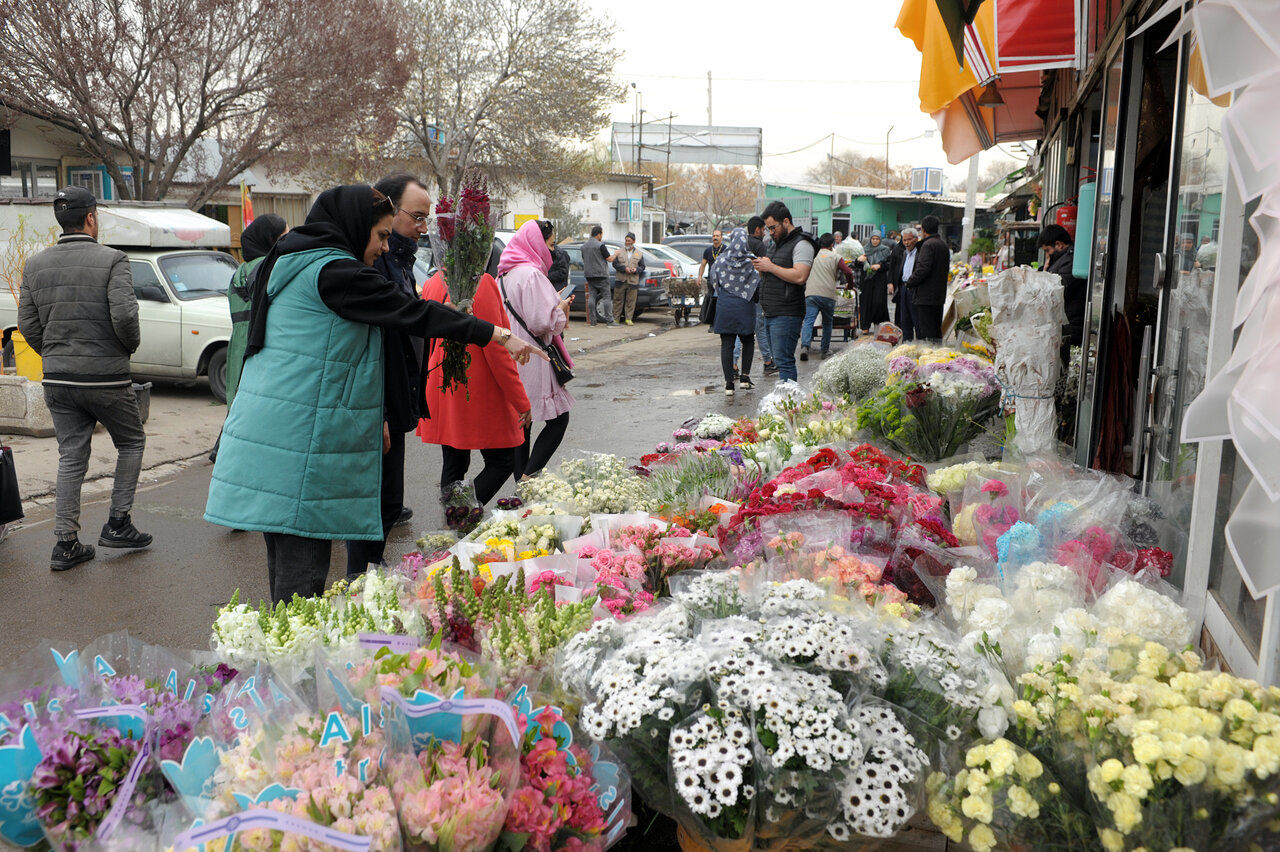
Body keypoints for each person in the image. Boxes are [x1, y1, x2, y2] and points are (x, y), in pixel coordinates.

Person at [206, 185, 540, 604]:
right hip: (298, 448)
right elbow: (411, 313)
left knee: (292, 579)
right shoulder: (333, 272)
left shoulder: (294, 259)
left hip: (281, 436)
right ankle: (292, 669)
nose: (385, 247)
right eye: (381, 235)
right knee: (302, 588)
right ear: (355, 227)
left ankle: (289, 661)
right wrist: (496, 334)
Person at [19, 186, 152, 571]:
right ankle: (118, 523)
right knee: (131, 442)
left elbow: (28, 324)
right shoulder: (113, 259)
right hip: (105, 376)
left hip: (58, 379)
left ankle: (66, 544)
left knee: (71, 455)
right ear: (91, 218)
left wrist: (56, 354)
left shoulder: (34, 264)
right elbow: (126, 317)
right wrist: (126, 349)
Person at [419, 213, 544, 512]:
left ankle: (453, 520)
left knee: (454, 459)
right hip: (473, 389)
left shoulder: (435, 281)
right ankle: (461, 514)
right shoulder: (482, 284)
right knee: (501, 460)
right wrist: (521, 401)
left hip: (441, 385)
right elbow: (497, 349)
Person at [342, 173, 432, 580]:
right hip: (377, 406)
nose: (423, 227)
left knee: (389, 505)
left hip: (396, 399)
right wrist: (374, 411)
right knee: (371, 510)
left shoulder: (401, 262)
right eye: (416, 216)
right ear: (390, 212)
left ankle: (368, 584)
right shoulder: (372, 264)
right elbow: (366, 345)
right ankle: (360, 588)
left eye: (426, 219)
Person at [500, 220, 575, 479]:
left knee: (523, 422)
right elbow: (543, 321)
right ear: (535, 242)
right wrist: (561, 310)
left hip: (513, 354)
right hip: (534, 357)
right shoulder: (531, 274)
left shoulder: (505, 275)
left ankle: (522, 481)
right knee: (559, 420)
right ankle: (529, 476)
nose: (551, 252)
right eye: (550, 244)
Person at [211, 212, 286, 463]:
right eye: (284, 237)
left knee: (239, 409)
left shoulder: (238, 273)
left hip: (236, 350)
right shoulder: (272, 269)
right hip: (261, 346)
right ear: (271, 240)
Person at [753, 201, 815, 383]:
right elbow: (774, 270)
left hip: (787, 313)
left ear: (786, 221)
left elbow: (800, 276)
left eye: (773, 228)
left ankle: (791, 404)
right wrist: (762, 267)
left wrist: (770, 267)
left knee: (785, 361)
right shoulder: (776, 244)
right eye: (768, 229)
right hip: (771, 311)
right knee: (779, 362)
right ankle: (784, 400)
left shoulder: (802, 243)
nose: (770, 233)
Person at [711, 227, 759, 396]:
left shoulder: (721, 259)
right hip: (745, 306)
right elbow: (757, 283)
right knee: (748, 341)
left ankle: (729, 384)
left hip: (725, 306)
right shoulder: (751, 261)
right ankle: (745, 378)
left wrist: (725, 291)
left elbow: (713, 280)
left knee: (727, 345)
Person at [902, 215, 950, 340]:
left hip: (926, 297)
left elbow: (922, 269)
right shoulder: (943, 245)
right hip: (938, 296)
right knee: (935, 331)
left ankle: (929, 357)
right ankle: (936, 356)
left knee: (927, 332)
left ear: (923, 230)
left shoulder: (928, 245)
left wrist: (909, 282)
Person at [1039, 223, 1086, 346]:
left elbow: (1059, 289)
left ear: (1059, 244)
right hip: (1065, 324)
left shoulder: (1070, 260)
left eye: (1047, 250)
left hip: (1072, 325)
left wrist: (1044, 274)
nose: (1047, 255)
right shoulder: (1061, 260)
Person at [800, 233, 841, 361]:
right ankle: (824, 350)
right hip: (828, 294)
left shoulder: (812, 256)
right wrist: (850, 284)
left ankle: (805, 346)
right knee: (827, 323)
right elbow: (848, 271)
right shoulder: (835, 256)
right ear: (832, 244)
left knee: (809, 321)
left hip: (811, 293)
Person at [744, 216, 774, 375]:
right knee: (760, 326)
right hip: (756, 292)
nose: (764, 233)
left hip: (741, 293)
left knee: (737, 332)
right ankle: (768, 361)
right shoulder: (760, 246)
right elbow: (764, 271)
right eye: (763, 229)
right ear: (757, 230)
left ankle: (734, 366)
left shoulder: (742, 245)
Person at [890, 228, 919, 340]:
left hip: (914, 288)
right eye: (904, 240)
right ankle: (907, 344)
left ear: (916, 239)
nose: (906, 242)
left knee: (915, 319)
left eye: (909, 240)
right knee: (904, 320)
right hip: (903, 287)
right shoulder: (905, 253)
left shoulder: (919, 253)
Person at [582, 225, 613, 326]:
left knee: (592, 297)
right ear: (599, 234)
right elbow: (609, 259)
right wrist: (616, 254)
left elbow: (584, 259)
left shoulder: (584, 246)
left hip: (589, 275)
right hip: (602, 275)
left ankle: (593, 321)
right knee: (607, 297)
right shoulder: (600, 245)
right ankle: (610, 321)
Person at [860, 232, 892, 331]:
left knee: (878, 302)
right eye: (873, 239)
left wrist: (880, 266)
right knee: (866, 303)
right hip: (867, 280)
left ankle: (879, 325)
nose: (875, 241)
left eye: (877, 239)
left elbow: (889, 265)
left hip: (879, 280)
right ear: (870, 239)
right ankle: (865, 327)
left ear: (880, 240)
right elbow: (857, 265)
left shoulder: (885, 250)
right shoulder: (864, 250)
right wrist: (859, 260)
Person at [611, 232, 645, 325]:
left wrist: (636, 269)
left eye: (629, 241)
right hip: (620, 279)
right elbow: (615, 264)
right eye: (626, 240)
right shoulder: (619, 252)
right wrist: (624, 269)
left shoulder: (639, 253)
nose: (627, 242)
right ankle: (615, 319)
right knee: (617, 300)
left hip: (633, 280)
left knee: (631, 301)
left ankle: (628, 319)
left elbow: (642, 266)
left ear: (633, 241)